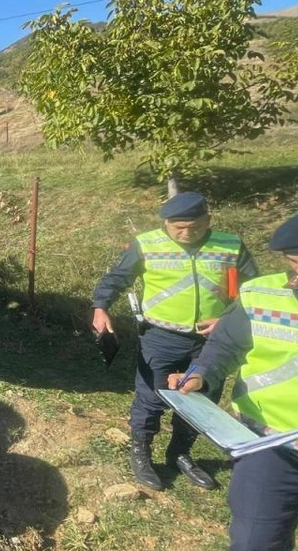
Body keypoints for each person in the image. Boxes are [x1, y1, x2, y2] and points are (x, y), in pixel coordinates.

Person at [171, 210, 298, 551]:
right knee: (255, 541)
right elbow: (224, 346)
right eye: (292, 262)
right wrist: (200, 375)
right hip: (270, 441)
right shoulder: (262, 294)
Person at [92, 192, 258, 491]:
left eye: (192, 226)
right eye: (176, 227)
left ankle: (180, 453)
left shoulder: (230, 245)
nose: (185, 232)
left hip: (213, 341)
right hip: (161, 337)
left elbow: (253, 290)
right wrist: (101, 306)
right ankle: (141, 451)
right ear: (166, 223)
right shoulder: (148, 244)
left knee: (200, 400)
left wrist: (228, 319)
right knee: (151, 398)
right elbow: (117, 277)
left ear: (208, 220)